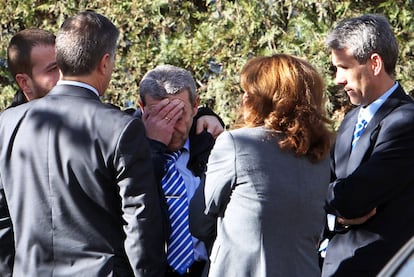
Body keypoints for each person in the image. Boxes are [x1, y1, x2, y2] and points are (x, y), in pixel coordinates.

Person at [0, 11, 166, 276]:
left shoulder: (7, 123)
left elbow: (2, 218)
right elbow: (140, 222)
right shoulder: (120, 128)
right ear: (104, 62)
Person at [190, 54, 333, 276]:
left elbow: (199, 221)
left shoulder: (237, 144)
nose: (243, 100)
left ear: (262, 99)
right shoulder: (320, 154)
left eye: (248, 92)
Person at [321, 14, 414, 276]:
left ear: (374, 63)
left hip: (381, 268)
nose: (337, 79)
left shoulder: (406, 121)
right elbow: (324, 187)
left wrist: (326, 197)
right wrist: (334, 215)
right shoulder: (351, 119)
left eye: (344, 67)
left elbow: (353, 198)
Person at [138, 64, 224, 276]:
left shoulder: (213, 146)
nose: (169, 126)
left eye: (177, 115)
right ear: (141, 108)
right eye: (158, 116)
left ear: (195, 106)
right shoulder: (126, 147)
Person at [6, 28, 59, 107]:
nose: (65, 73)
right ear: (25, 83)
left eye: (65, 64)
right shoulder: (10, 119)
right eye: (53, 69)